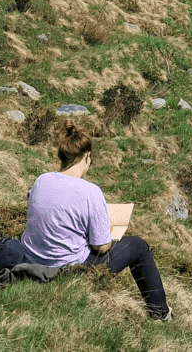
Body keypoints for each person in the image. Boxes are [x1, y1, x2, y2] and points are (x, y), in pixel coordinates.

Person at [21, 123, 171, 320]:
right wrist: (107, 227)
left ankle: (159, 312)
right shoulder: (90, 192)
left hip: (32, 260)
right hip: (67, 270)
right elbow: (101, 247)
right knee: (138, 246)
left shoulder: (41, 180)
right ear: (86, 157)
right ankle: (160, 313)